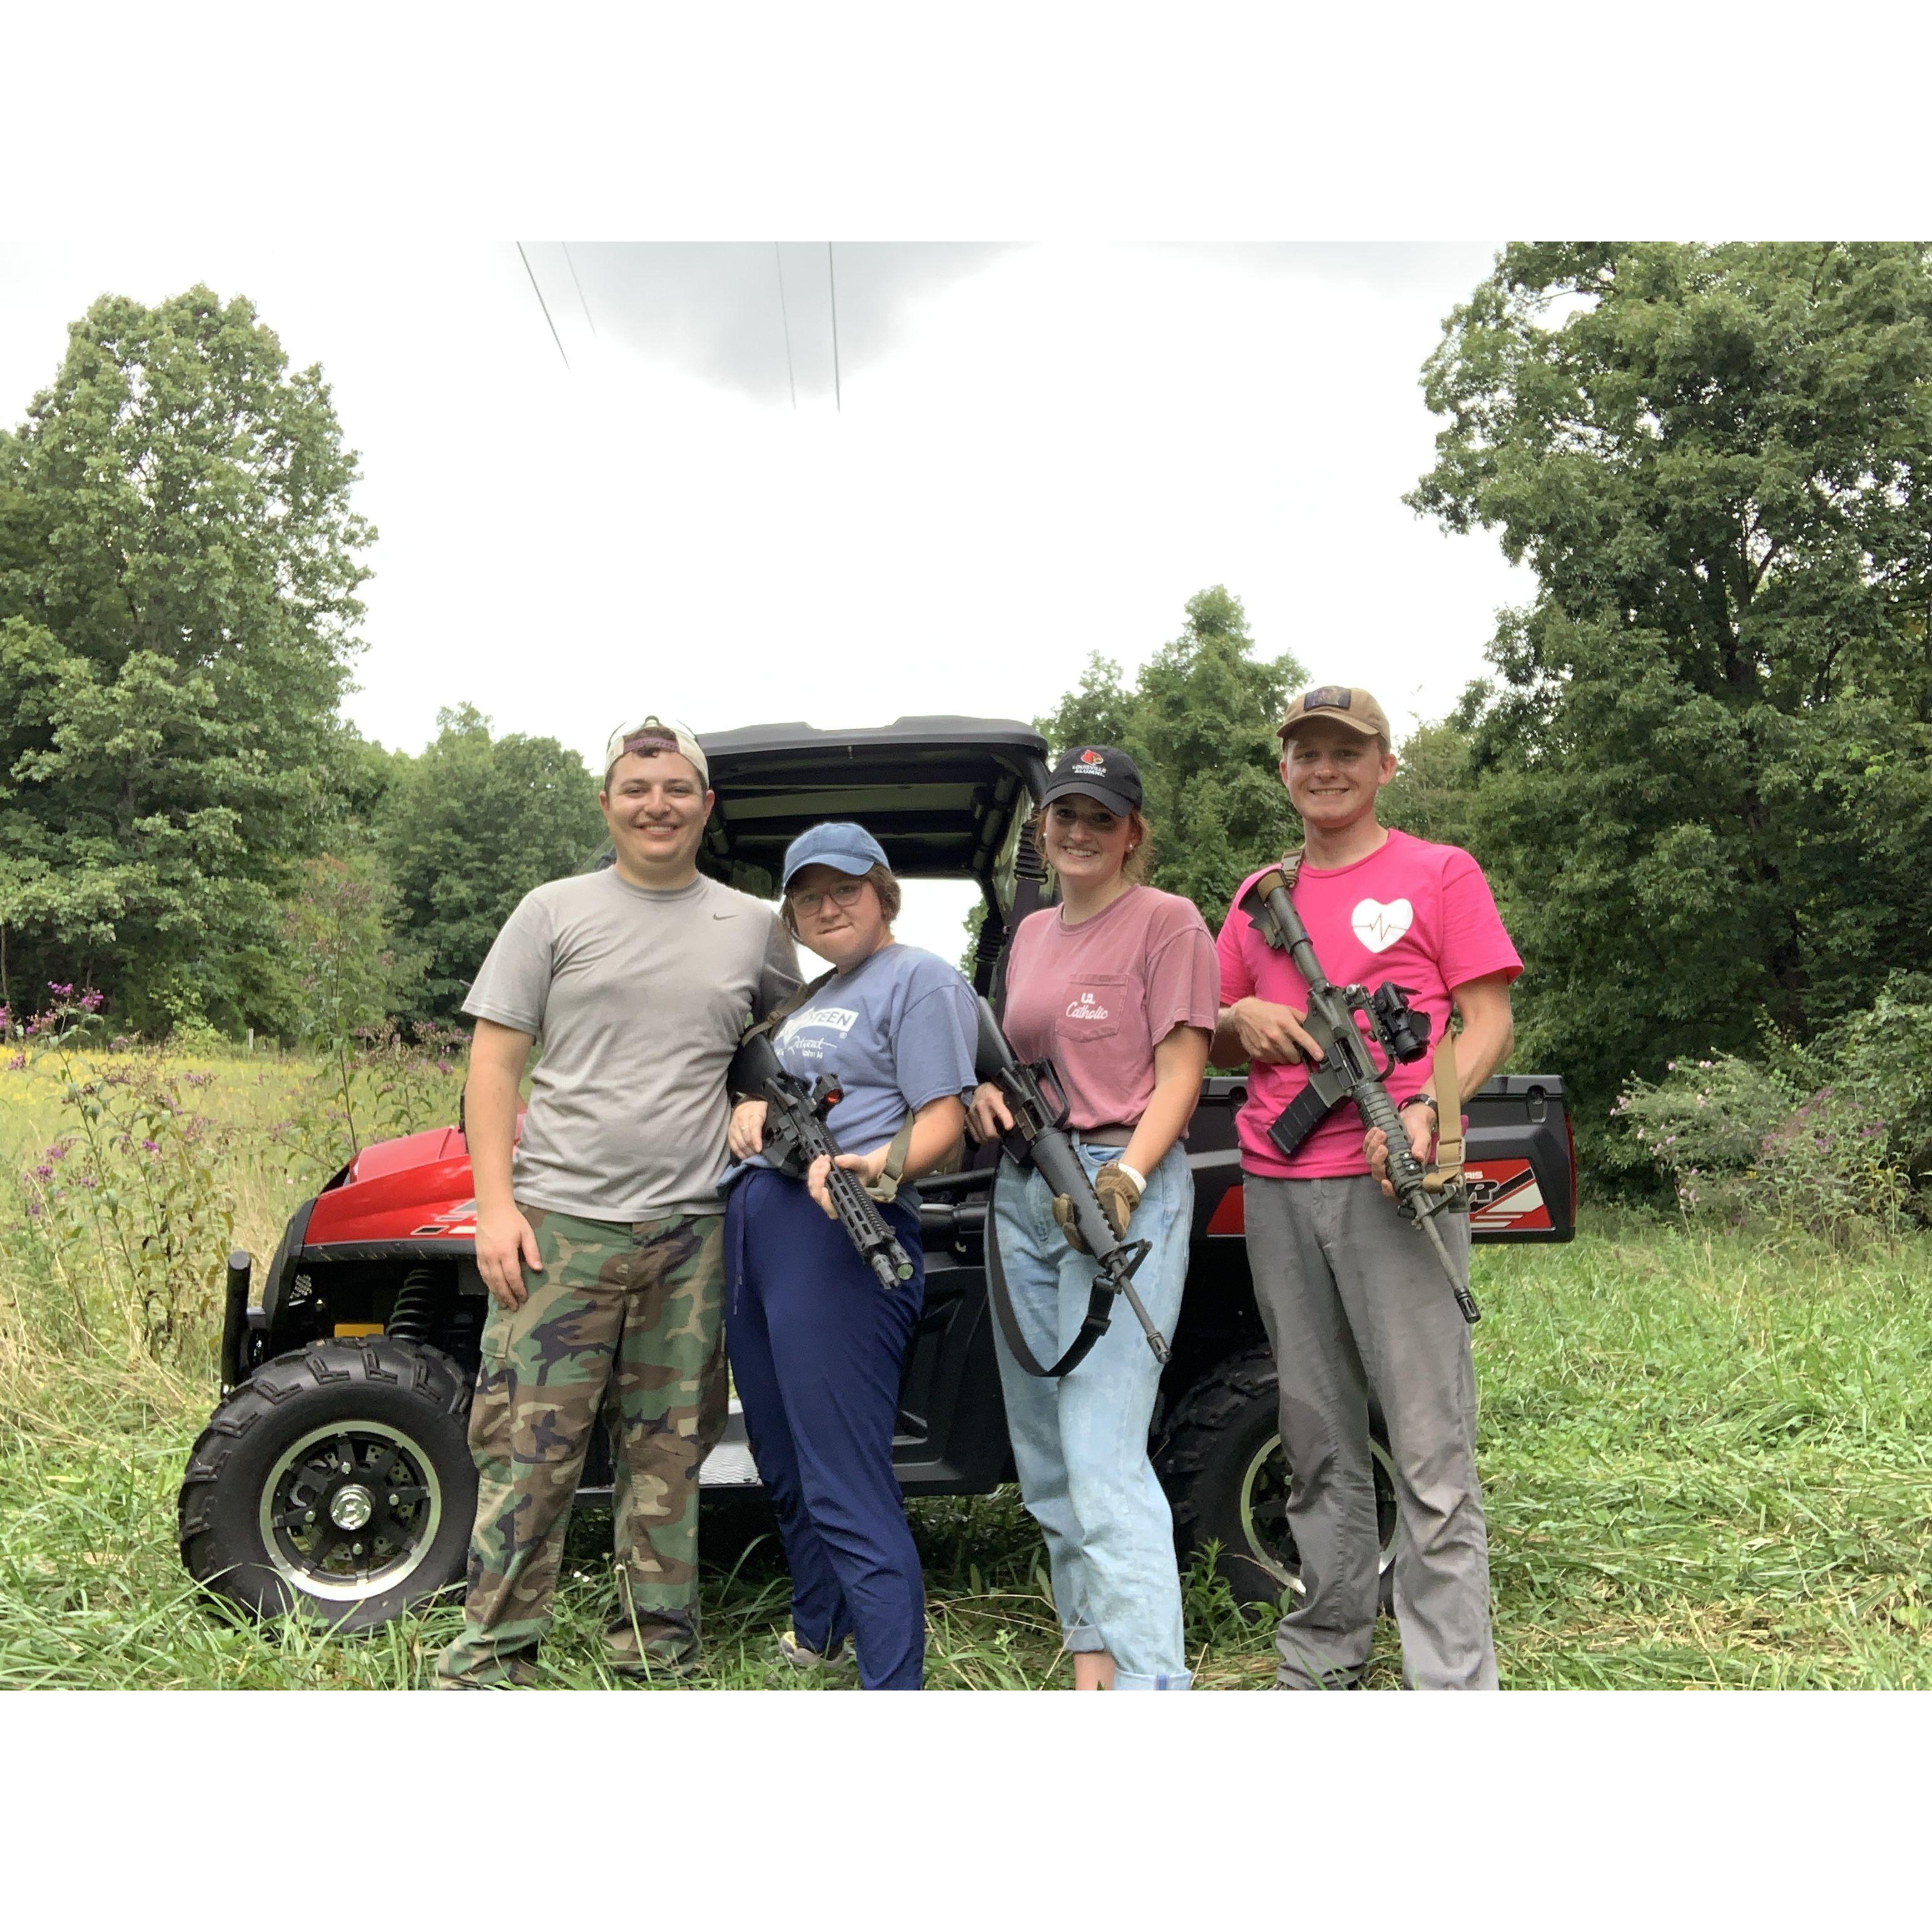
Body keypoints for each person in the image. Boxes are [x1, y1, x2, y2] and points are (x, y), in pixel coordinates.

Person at [435, 714, 801, 1689]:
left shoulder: (754, 926)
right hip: (560, 1230)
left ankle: (653, 1657)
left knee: (670, 1459)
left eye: (677, 788)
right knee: (527, 1454)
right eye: (637, 789)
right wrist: (496, 1206)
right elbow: (496, 1062)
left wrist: (758, 1094)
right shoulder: (550, 912)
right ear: (607, 803)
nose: (657, 805)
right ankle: (491, 1657)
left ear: (705, 806)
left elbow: (795, 1050)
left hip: (693, 1234)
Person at [1210, 685, 1521, 1690]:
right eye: (1307, 751)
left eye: (1348, 750)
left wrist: (1431, 1112)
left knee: (1429, 1443)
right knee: (1314, 1430)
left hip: (1396, 1185)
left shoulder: (1439, 872)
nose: (1326, 767)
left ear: (1386, 764)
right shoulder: (1260, 897)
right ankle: (1325, 1646)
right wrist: (1243, 1019)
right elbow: (1204, 1028)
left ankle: (1449, 1679)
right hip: (1277, 1180)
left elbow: (1486, 1021)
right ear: (1285, 770)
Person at [967, 746, 1219, 1690]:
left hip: (1121, 1185)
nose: (1078, 832)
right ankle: (1092, 1656)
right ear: (1046, 827)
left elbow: (1183, 1072)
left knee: (1103, 1457)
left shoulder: (1169, 924)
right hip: (1027, 1190)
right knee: (1045, 1453)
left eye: (1100, 818)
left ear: (1132, 833)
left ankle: (1156, 1685)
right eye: (1064, 815)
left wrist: (1130, 1178)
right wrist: (990, 1097)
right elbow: (1014, 1056)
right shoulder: (1030, 934)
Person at [723, 822, 979, 1691]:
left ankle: (891, 1683)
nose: (828, 906)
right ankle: (819, 1630)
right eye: (809, 895)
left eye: (846, 890)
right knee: (783, 1455)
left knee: (844, 1476)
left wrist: (885, 1164)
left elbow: (944, 1115)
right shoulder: (810, 995)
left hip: (841, 1234)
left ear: (884, 894)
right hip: (759, 1225)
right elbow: (763, 1083)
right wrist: (746, 1111)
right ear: (791, 913)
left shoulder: (922, 980)